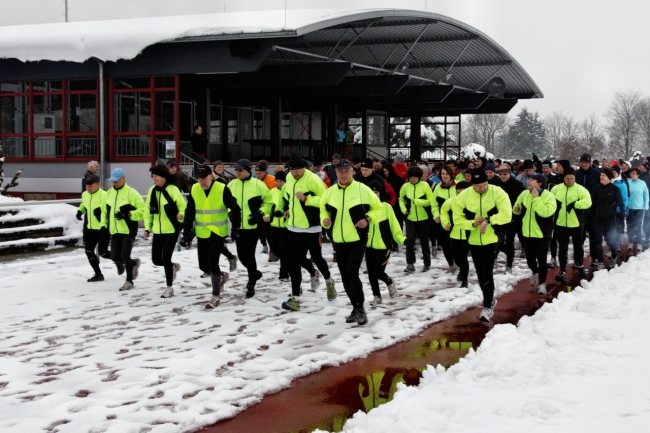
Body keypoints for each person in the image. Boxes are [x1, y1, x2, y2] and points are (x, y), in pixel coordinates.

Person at [320, 159, 382, 326]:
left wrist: (367, 219)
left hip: (357, 238)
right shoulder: (330, 192)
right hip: (338, 240)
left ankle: (360, 307)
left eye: (346, 171)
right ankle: (355, 307)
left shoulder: (363, 190)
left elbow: (379, 209)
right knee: (345, 276)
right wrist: (325, 219)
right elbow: (323, 209)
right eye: (340, 171)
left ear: (352, 172)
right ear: (336, 172)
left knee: (352, 273)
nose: (343, 174)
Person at [452, 168, 512, 322]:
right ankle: (489, 299)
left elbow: (507, 213)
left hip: (491, 239)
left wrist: (489, 220)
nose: (481, 188)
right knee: (480, 274)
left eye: (484, 184)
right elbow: (457, 219)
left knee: (487, 272)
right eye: (477, 186)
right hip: (473, 240)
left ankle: (487, 306)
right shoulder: (464, 196)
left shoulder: (497, 192)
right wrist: (472, 223)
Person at [280, 155, 337, 312]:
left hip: (312, 226)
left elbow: (325, 199)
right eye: (292, 170)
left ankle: (329, 281)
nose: (294, 173)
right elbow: (287, 197)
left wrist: (306, 199)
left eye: (297, 170)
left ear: (304, 168)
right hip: (294, 226)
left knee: (317, 258)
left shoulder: (313, 179)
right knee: (294, 261)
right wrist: (287, 209)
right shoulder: (289, 178)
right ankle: (295, 299)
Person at [184, 165, 241, 309]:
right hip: (202, 232)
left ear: (211, 176)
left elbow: (235, 208)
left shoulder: (221, 188)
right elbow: (189, 211)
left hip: (217, 231)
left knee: (212, 261)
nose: (202, 181)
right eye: (199, 178)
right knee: (203, 266)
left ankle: (215, 295)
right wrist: (186, 232)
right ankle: (221, 276)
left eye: (204, 178)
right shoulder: (195, 189)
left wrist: (235, 227)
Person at [227, 158, 273, 298]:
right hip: (238, 227)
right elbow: (227, 203)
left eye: (240, 170)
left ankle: (251, 282)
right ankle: (255, 274)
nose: (237, 172)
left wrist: (260, 214)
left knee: (250, 255)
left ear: (248, 170)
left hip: (253, 226)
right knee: (241, 256)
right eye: (236, 170)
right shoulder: (231, 185)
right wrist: (231, 214)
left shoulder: (258, 185)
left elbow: (269, 202)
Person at [143, 165, 187, 299]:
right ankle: (173, 266)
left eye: (156, 176)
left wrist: (181, 214)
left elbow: (183, 207)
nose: (153, 179)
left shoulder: (173, 190)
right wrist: (147, 228)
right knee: (156, 259)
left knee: (166, 258)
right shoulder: (152, 191)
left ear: (163, 177)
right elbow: (148, 211)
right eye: (152, 176)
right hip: (158, 230)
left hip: (171, 230)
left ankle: (169, 287)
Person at [512, 173, 557, 294]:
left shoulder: (549, 196)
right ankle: (535, 271)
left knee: (542, 259)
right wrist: (516, 209)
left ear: (539, 183)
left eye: (532, 180)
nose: (529, 182)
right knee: (530, 259)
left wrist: (537, 199)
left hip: (543, 234)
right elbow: (517, 206)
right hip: (527, 233)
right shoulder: (524, 194)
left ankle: (542, 283)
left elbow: (546, 212)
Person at [103, 168, 145, 291]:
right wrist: (103, 225)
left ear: (124, 178)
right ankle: (132, 264)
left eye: (117, 180)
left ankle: (129, 281)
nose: (114, 183)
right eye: (112, 181)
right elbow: (106, 212)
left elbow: (142, 211)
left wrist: (128, 214)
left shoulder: (132, 193)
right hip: (115, 230)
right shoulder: (109, 193)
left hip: (128, 229)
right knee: (116, 257)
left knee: (125, 254)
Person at [365, 180, 406, 305]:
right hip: (368, 246)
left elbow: (394, 226)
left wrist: (402, 239)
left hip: (383, 246)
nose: (373, 194)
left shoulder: (386, 207)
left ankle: (389, 282)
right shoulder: (364, 208)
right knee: (371, 273)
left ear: (380, 193)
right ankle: (377, 296)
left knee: (378, 272)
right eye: (371, 191)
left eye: (376, 192)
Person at [76, 174, 120, 282]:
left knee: (103, 252)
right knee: (88, 251)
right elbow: (84, 204)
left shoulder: (105, 195)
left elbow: (110, 211)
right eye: (87, 185)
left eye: (91, 185)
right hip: (90, 228)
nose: (88, 188)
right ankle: (98, 274)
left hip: (102, 228)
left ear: (98, 185)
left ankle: (124, 262)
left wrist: (100, 214)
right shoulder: (85, 194)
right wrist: (80, 211)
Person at [552, 167, 592, 283]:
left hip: (576, 223)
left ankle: (580, 266)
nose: (570, 181)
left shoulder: (580, 189)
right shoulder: (556, 189)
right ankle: (562, 271)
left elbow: (588, 202)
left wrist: (575, 204)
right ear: (563, 178)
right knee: (562, 247)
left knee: (578, 246)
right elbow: (549, 200)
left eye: (572, 178)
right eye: (567, 178)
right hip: (561, 223)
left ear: (575, 178)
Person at [400, 165, 434, 273]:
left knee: (424, 240)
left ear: (419, 177)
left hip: (424, 217)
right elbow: (401, 199)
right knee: (409, 240)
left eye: (415, 177)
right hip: (410, 218)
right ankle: (410, 264)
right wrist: (404, 209)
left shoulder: (425, 186)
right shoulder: (405, 187)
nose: (413, 179)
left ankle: (427, 263)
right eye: (411, 177)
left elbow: (430, 201)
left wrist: (417, 201)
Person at [591, 168, 624, 270]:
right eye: (601, 175)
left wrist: (620, 219)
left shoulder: (615, 189)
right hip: (597, 219)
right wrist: (590, 216)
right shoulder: (596, 188)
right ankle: (600, 261)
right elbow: (592, 202)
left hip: (610, 220)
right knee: (597, 240)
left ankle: (613, 257)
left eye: (603, 175)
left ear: (609, 177)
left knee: (610, 240)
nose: (601, 177)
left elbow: (621, 204)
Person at [440, 181, 471, 287]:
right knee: (456, 257)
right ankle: (462, 270)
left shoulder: (472, 202)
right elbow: (443, 212)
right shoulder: (451, 201)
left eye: (462, 193)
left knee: (463, 256)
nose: (459, 195)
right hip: (454, 233)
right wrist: (446, 223)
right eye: (458, 193)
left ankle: (465, 280)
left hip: (468, 234)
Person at [496, 163, 526, 272]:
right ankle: (505, 253)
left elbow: (523, 199)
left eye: (505, 174)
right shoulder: (496, 184)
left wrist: (519, 210)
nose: (503, 176)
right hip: (498, 216)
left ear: (510, 173)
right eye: (501, 174)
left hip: (512, 217)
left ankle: (509, 264)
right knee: (497, 239)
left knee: (509, 240)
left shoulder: (517, 184)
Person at [430, 165, 456, 270]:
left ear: (451, 174)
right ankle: (451, 263)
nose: (445, 176)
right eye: (443, 174)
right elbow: (434, 204)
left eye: (447, 173)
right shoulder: (437, 187)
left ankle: (457, 261)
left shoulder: (457, 186)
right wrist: (436, 216)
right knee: (445, 244)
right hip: (443, 219)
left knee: (455, 243)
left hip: (457, 219)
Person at [269, 171, 290, 282]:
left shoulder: (287, 191)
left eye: (281, 181)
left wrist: (282, 213)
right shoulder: (272, 191)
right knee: (275, 249)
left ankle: (284, 273)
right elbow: (269, 205)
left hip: (285, 225)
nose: (278, 183)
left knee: (283, 249)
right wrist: (268, 215)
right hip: (273, 224)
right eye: (276, 181)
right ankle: (288, 265)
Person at [254, 160, 275, 256]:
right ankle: (264, 245)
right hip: (259, 209)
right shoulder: (254, 180)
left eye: (259, 173)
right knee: (260, 230)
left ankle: (272, 250)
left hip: (269, 209)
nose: (257, 175)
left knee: (269, 231)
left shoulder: (272, 180)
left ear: (264, 172)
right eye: (256, 173)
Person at [626, 167, 649, 253]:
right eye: (631, 173)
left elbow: (646, 195)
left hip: (639, 207)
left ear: (638, 175)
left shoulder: (642, 183)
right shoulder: (628, 183)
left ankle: (639, 243)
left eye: (634, 173)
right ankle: (630, 242)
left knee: (638, 225)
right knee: (629, 225)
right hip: (629, 207)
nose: (632, 175)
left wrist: (645, 205)